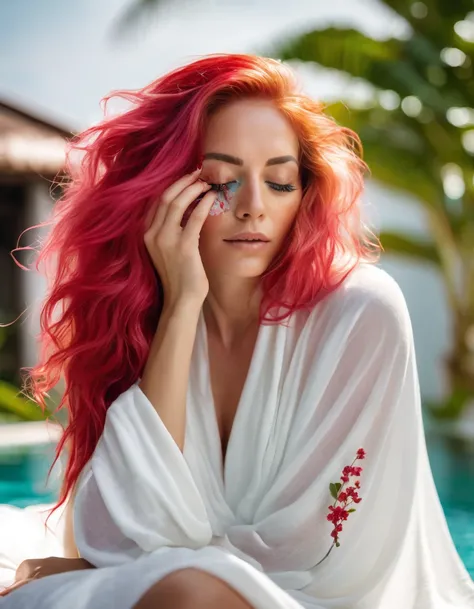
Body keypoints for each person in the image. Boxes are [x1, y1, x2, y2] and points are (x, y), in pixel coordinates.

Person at [1, 53, 473, 609]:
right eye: (222, 180)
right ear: (164, 189)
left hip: (327, 598)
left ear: (306, 192)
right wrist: (181, 307)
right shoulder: (137, 320)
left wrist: (132, 566)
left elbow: (321, 554)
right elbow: (108, 532)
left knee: (187, 592)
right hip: (179, 594)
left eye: (279, 181)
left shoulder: (363, 311)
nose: (253, 207)